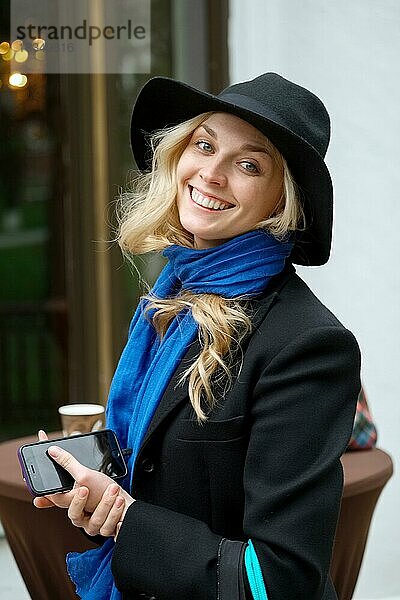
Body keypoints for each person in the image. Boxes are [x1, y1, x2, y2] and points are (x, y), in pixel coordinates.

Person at [34, 73, 361, 600]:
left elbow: (281, 579)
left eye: (248, 164)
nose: (210, 173)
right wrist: (99, 488)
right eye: (204, 145)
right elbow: (167, 472)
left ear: (284, 198)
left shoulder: (308, 346)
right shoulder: (174, 300)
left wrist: (126, 520)